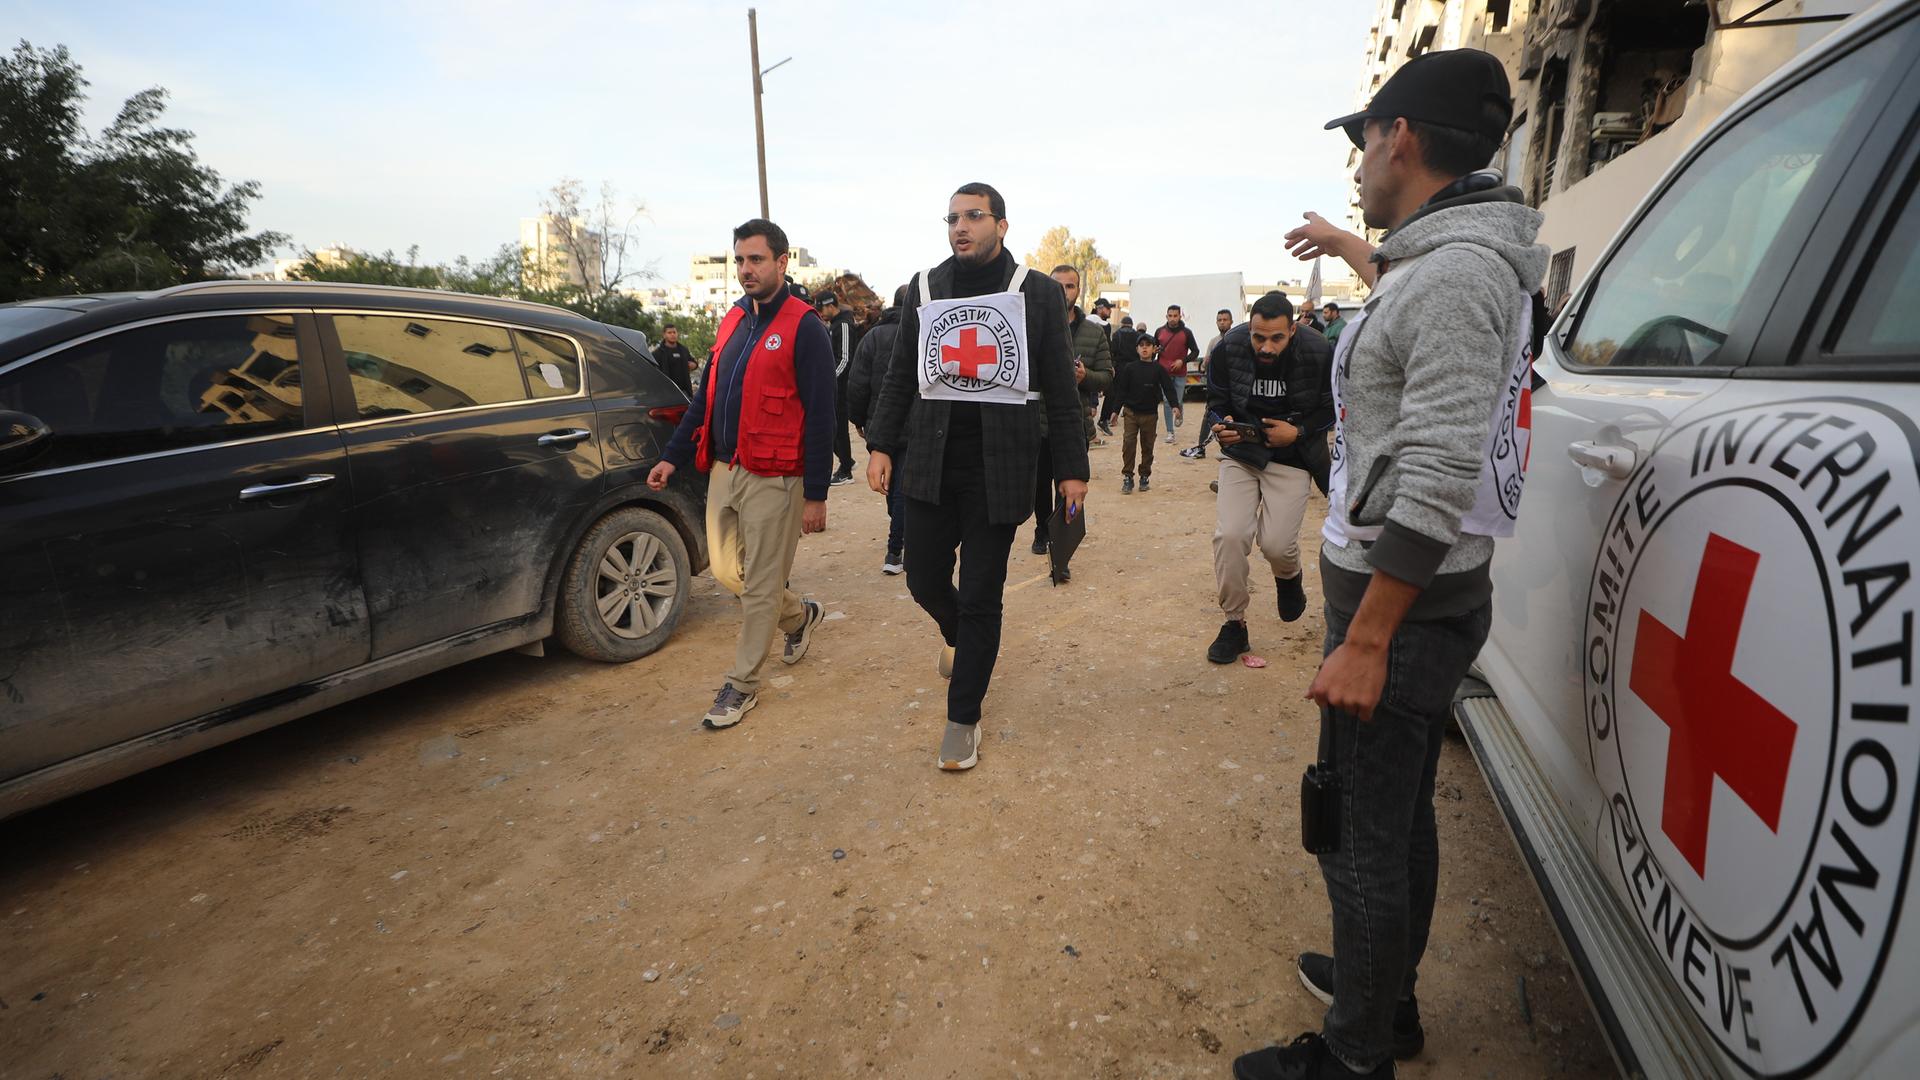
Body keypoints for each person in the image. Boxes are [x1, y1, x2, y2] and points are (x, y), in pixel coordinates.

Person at [1231, 50, 1547, 1080]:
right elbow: (1412, 324)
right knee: (1393, 812)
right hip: (1400, 599)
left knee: (1358, 835)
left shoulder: (1454, 275)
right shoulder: (1438, 261)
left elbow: (1442, 466)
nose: (1358, 162)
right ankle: (1387, 996)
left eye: (1364, 141)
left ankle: (1358, 1050)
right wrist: (1354, 249)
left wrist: (1368, 639)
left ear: (1399, 138)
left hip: (1397, 610)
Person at [864, 182, 1089, 772]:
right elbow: (897, 376)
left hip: (1001, 469)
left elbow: (1063, 392)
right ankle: (958, 635)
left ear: (1002, 225)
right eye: (953, 218)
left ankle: (963, 716)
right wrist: (881, 444)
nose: (960, 227)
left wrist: (1072, 471)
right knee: (922, 579)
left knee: (983, 596)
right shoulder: (927, 287)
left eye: (973, 217)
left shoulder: (1036, 293)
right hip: (930, 463)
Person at [650, 218, 837, 731]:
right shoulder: (732, 320)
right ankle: (800, 616)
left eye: (755, 259)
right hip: (726, 469)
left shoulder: (805, 328)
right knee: (730, 573)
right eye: (739, 260)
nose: (745, 270)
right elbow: (705, 400)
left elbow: (822, 415)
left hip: (778, 476)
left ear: (782, 262)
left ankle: (742, 683)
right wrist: (672, 455)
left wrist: (816, 494)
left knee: (758, 584)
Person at [1203, 291, 1332, 665]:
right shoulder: (1230, 347)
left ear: (1293, 329)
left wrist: (1299, 431)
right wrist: (1220, 425)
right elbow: (1216, 401)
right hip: (1242, 454)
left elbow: (1331, 407)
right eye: (1259, 337)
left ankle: (1288, 577)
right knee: (1230, 536)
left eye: (1276, 338)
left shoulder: (1318, 350)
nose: (1266, 346)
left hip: (1292, 457)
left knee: (1276, 544)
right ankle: (1234, 624)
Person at [1032, 264, 1112, 571]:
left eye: (1070, 286)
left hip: (1075, 424)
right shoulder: (1032, 325)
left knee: (1069, 487)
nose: (1064, 291)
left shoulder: (1094, 332)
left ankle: (1060, 553)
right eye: (1058, 285)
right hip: (1037, 422)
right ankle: (1041, 529)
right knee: (1039, 486)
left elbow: (1106, 377)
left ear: (1078, 291)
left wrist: (1085, 376)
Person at [848, 284, 909, 574]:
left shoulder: (872, 337)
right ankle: (897, 549)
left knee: (893, 487)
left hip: (878, 422)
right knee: (900, 488)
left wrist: (859, 420)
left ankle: (896, 547)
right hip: (912, 424)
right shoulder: (919, 335)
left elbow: (857, 385)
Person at [1099, 333, 1178, 494]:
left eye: (1148, 345)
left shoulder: (1159, 369)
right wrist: (1115, 410)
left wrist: (1175, 405)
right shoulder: (1130, 368)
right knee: (1128, 444)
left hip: (1150, 414)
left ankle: (1144, 475)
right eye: (1141, 345)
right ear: (1136, 349)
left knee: (1147, 446)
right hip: (1131, 413)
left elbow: (1168, 388)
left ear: (1154, 349)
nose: (1144, 348)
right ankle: (1128, 476)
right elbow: (1121, 390)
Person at [1179, 310, 1238, 460]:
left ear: (1231, 321)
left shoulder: (1238, 340)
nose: (1222, 322)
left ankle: (1232, 451)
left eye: (1225, 319)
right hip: (1218, 388)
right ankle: (1201, 447)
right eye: (1219, 320)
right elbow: (1205, 363)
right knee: (1210, 416)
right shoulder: (1214, 342)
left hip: (1235, 388)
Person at [818, 291, 860, 486]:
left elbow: (844, 358)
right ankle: (847, 461)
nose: (820, 312)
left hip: (841, 387)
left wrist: (829, 379)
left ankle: (846, 470)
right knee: (833, 428)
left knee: (839, 428)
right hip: (835, 385)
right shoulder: (834, 325)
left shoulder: (843, 325)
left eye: (821, 308)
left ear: (830, 306)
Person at [1154, 305, 1200, 442]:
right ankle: (1170, 432)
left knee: (1177, 400)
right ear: (1166, 316)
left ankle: (1180, 411)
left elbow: (1195, 351)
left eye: (1175, 316)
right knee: (1168, 401)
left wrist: (1183, 361)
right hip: (1164, 373)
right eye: (1170, 316)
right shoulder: (1159, 332)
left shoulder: (1187, 333)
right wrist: (1154, 352)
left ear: (1180, 316)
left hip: (1180, 373)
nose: (1173, 319)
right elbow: (1154, 350)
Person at [653, 323, 695, 396]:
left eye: (674, 332)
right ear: (664, 335)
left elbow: (693, 362)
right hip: (667, 393)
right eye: (669, 333)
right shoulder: (657, 353)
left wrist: (693, 365)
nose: (672, 335)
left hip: (685, 392)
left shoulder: (683, 350)